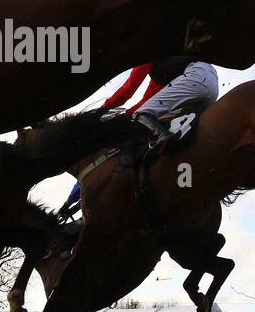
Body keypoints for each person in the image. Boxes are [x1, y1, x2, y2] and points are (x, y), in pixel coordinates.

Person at [57, 57, 219, 220]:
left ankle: (165, 141)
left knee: (142, 116)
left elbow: (128, 90)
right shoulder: (166, 72)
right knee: (152, 120)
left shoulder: (148, 54)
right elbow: (147, 102)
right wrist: (122, 120)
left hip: (195, 78)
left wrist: (100, 113)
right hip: (209, 86)